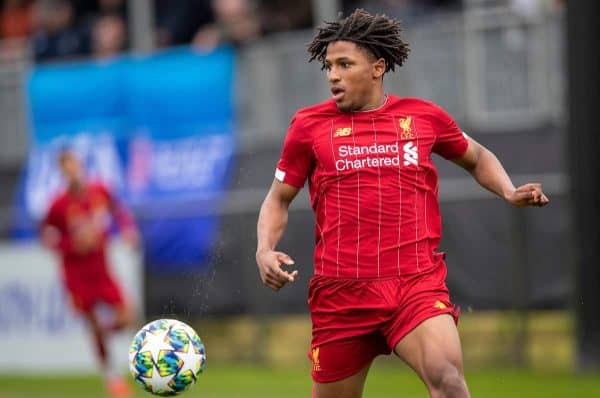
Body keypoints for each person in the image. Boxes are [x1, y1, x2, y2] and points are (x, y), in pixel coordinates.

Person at [255, 8, 549, 398]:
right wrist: (264, 249)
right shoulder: (308, 126)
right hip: (341, 295)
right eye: (329, 66)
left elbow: (476, 157)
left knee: (448, 380)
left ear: (377, 67)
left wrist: (509, 191)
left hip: (415, 285)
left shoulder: (423, 117)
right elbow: (278, 198)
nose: (333, 75)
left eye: (345, 64)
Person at [40, 149, 139, 398]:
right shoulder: (58, 205)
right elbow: (46, 236)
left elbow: (119, 211)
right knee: (93, 321)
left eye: (73, 165)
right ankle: (113, 378)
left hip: (102, 270)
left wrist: (127, 230)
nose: (71, 171)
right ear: (61, 172)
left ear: (80, 165)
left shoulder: (99, 191)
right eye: (66, 168)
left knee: (127, 316)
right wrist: (70, 244)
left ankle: (105, 333)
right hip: (76, 275)